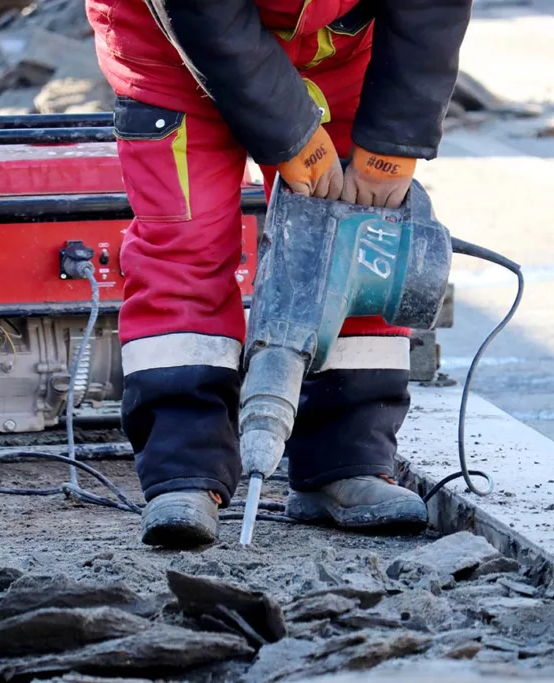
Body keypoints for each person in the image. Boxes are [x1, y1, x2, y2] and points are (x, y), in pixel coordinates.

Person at [87, 0, 473, 548]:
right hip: (173, 50)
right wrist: (291, 133)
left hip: (339, 49)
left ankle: (346, 460)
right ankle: (185, 471)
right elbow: (202, 13)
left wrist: (392, 140)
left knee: (357, 237)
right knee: (184, 246)